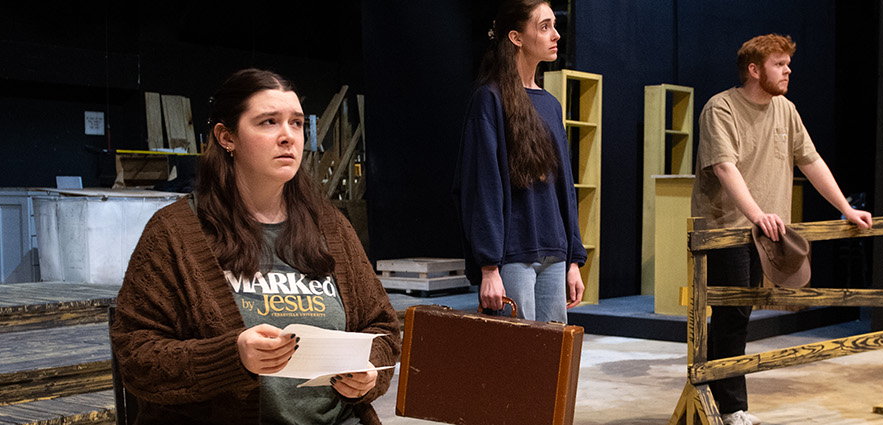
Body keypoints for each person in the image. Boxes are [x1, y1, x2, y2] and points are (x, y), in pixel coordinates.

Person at [111, 68, 401, 425]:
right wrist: (233, 358)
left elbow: (382, 328)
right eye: (268, 122)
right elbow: (137, 358)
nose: (288, 137)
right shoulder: (175, 233)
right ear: (226, 137)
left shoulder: (331, 227)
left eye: (296, 123)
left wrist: (368, 375)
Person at [692, 34, 875, 425]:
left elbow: (811, 161)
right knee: (731, 314)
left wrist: (846, 209)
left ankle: (720, 395)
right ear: (755, 70)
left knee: (742, 315)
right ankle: (730, 408)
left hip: (765, 232)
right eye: (779, 63)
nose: (788, 69)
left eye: (788, 63)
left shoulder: (786, 110)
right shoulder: (720, 108)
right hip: (728, 229)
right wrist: (758, 214)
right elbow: (725, 168)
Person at [459, 0, 586, 323]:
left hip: (554, 253)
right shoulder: (490, 99)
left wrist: (573, 259)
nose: (555, 35)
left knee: (553, 359)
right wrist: (488, 267)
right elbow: (482, 185)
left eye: (554, 26)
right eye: (544, 27)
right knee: (518, 359)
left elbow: (565, 189)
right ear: (516, 37)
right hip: (512, 255)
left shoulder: (551, 106)